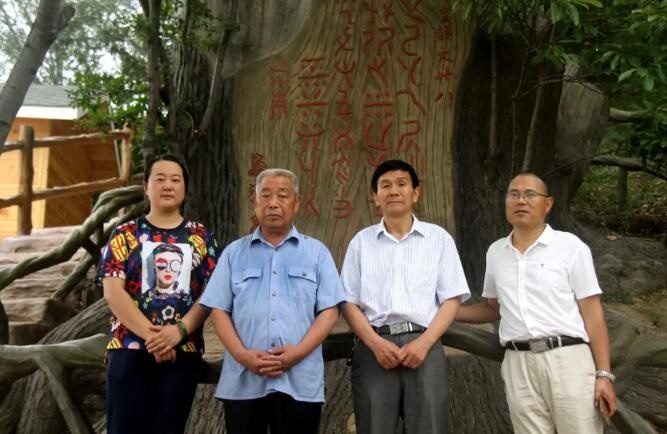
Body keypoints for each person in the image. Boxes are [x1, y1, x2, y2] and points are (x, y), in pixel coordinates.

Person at [456, 172, 618, 434]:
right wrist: (449, 312)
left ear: (548, 204)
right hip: (517, 363)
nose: (521, 201)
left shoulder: (570, 247)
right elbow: (493, 308)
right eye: (514, 194)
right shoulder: (496, 252)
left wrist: (604, 375)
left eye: (530, 194)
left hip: (567, 359)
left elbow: (593, 314)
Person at [200, 168, 345, 434]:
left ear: (296, 203)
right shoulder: (234, 253)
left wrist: (298, 352)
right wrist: (242, 355)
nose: (273, 203)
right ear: (255, 202)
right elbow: (218, 309)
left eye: (282, 195)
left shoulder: (317, 253)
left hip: (299, 381)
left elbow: (330, 310)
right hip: (243, 381)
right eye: (265, 195)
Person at [341, 159, 470, 434]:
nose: (394, 191)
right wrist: (375, 344)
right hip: (374, 347)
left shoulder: (438, 239)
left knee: (429, 427)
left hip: (425, 345)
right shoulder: (361, 242)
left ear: (416, 193)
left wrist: (424, 343)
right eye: (385, 186)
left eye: (402, 184)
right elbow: (348, 302)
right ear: (376, 197)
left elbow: (451, 299)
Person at [98, 154, 219, 434]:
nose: (168, 185)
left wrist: (178, 331)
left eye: (175, 180)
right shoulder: (125, 234)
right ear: (146, 187)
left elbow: (213, 293)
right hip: (129, 348)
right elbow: (113, 292)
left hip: (182, 351)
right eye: (160, 179)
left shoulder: (201, 237)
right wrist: (154, 337)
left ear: (185, 189)